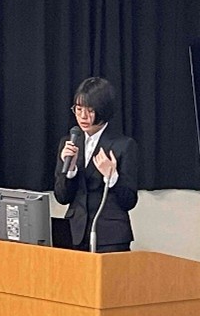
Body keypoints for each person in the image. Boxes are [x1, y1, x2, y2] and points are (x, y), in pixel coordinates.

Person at [54, 77, 138, 253]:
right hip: (74, 234)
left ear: (103, 110)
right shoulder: (69, 143)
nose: (83, 116)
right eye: (78, 109)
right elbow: (62, 197)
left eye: (90, 110)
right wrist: (70, 170)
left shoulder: (123, 145)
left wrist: (112, 178)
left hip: (110, 236)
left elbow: (129, 201)